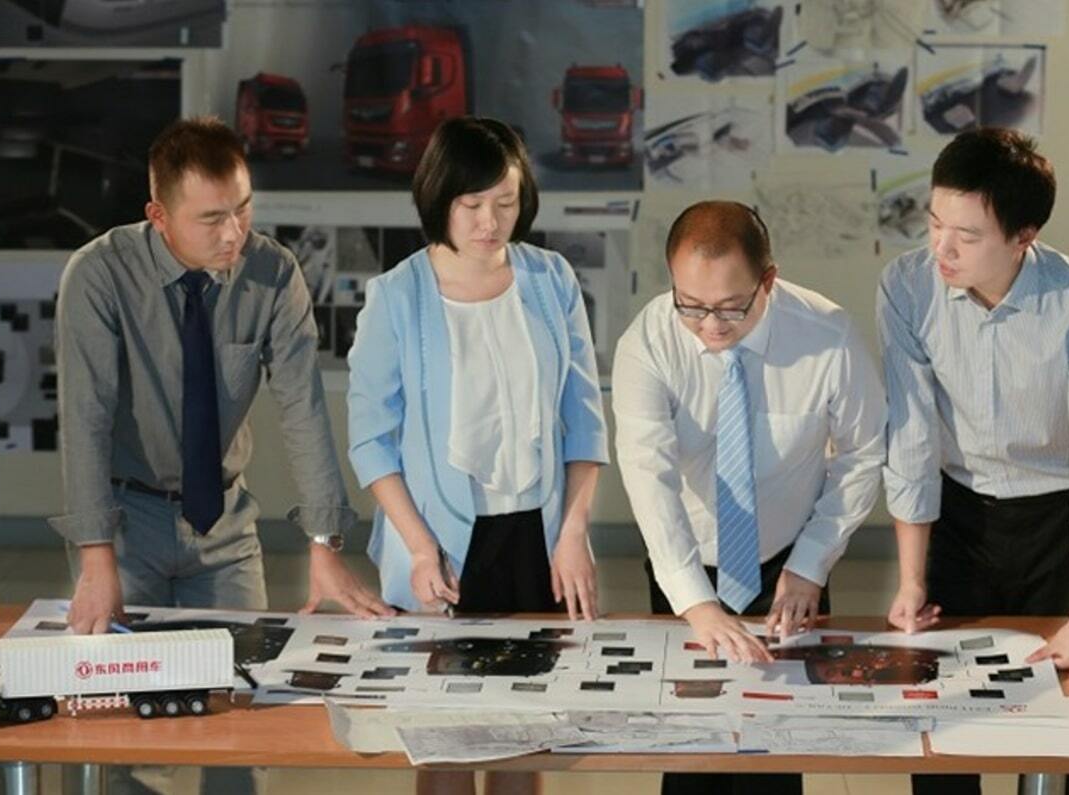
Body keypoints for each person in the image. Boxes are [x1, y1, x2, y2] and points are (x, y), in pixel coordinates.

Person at [51, 116, 392, 795]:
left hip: (227, 526)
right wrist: (96, 558)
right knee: (130, 736)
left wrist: (324, 541)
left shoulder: (272, 273)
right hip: (127, 523)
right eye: (211, 218)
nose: (233, 232)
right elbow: (84, 421)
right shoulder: (98, 275)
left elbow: (303, 408)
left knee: (243, 721)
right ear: (158, 215)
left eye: (242, 208)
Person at [347, 116, 609, 795]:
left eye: (505, 201)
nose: (490, 222)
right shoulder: (396, 296)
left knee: (525, 738)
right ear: (440, 197)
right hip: (438, 543)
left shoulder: (550, 278)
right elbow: (371, 440)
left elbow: (584, 419)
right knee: (445, 742)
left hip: (538, 536)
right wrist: (418, 548)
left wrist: (574, 532)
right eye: (471, 204)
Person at [879, 127, 1069, 795]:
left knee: (1057, 724)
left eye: (966, 235)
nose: (941, 247)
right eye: (935, 222)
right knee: (934, 721)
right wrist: (910, 579)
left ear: (1024, 236)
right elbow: (911, 438)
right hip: (957, 513)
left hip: (1056, 519)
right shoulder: (907, 287)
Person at [612, 199, 886, 795]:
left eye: (731, 306)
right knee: (691, 743)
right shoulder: (649, 343)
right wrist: (696, 604)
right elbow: (649, 477)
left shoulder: (827, 335)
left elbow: (863, 454)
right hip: (686, 561)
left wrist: (811, 563)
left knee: (777, 745)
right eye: (691, 305)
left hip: (790, 563)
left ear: (768, 280)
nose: (710, 325)